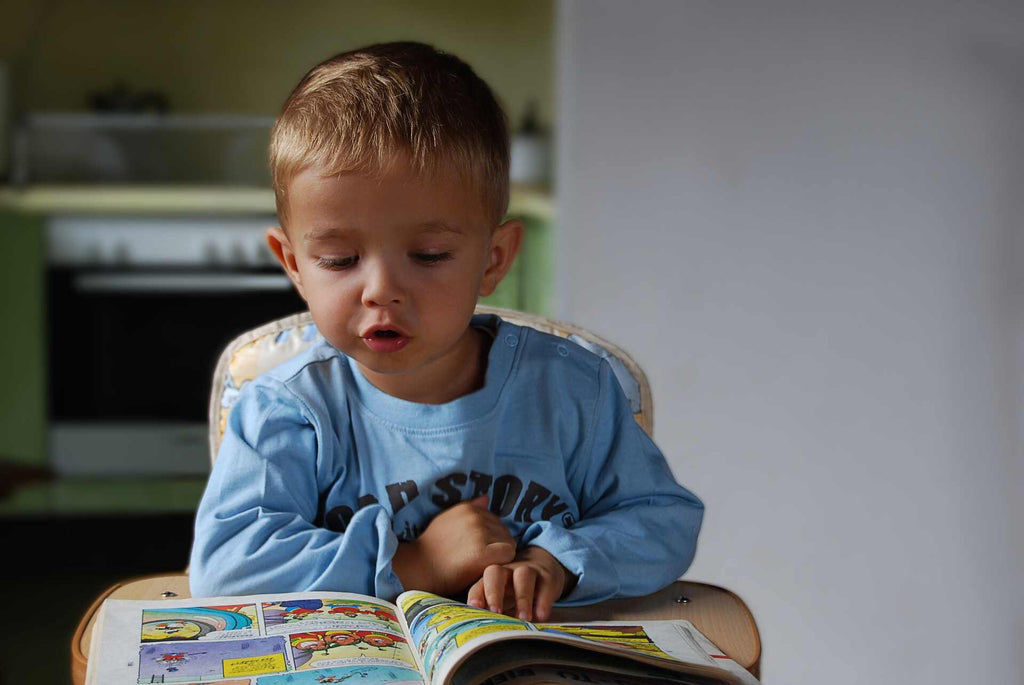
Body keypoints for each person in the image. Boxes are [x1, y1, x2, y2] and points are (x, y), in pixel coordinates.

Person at [189, 42, 703, 622]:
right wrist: (415, 563)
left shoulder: (571, 389)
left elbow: (662, 520)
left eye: (429, 255)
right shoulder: (288, 411)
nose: (380, 289)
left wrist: (554, 561)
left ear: (493, 258)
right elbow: (228, 566)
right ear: (293, 265)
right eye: (338, 259)